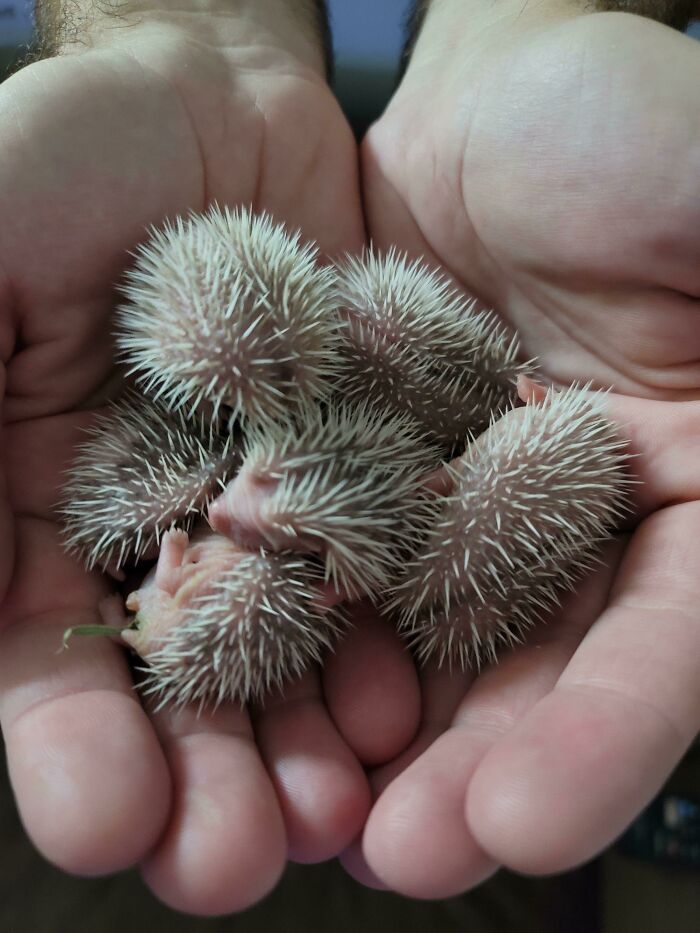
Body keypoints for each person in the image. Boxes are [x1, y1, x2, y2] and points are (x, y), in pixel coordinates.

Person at [0, 0, 697, 916]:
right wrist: (180, 36)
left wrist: (521, 26)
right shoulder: (230, 497)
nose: (214, 516)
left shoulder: (367, 502)